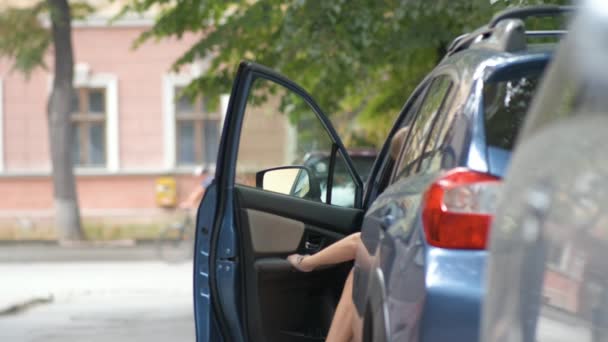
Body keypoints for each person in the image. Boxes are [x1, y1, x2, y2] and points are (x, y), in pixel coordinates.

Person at [287, 125, 410, 342]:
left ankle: (306, 264)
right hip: (409, 285)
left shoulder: (410, 195)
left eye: (399, 160)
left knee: (358, 277)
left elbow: (359, 242)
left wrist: (307, 261)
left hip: (408, 289)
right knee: (360, 277)